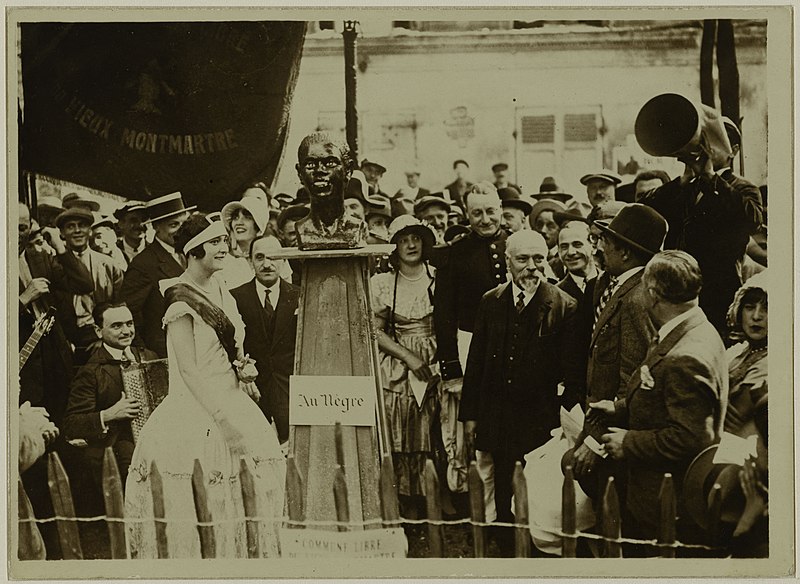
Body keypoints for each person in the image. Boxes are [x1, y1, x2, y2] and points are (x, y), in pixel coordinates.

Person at [124, 213, 285, 558]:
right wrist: (224, 421)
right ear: (194, 251)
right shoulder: (181, 300)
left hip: (234, 396)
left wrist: (244, 368)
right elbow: (189, 371)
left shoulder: (222, 289)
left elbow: (232, 347)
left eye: (224, 241)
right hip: (198, 407)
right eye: (215, 243)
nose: (224, 248)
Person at [459, 229, 584, 556]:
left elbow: (572, 375)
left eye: (539, 259)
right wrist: (470, 415)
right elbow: (476, 363)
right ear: (508, 261)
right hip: (496, 416)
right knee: (501, 486)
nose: (532, 267)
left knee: (533, 489)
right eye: (523, 259)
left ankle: (532, 552)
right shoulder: (492, 300)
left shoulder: (563, 305)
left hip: (539, 421)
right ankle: (503, 547)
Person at [599, 250, 728, 551]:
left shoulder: (685, 355)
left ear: (654, 294)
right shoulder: (692, 327)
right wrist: (621, 407)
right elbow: (671, 400)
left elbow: (690, 436)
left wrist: (628, 442)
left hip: (666, 501)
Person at [568, 204, 664, 505]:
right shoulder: (614, 287)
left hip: (616, 437)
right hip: (602, 426)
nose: (598, 248)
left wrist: (597, 443)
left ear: (625, 253)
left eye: (605, 242)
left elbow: (634, 380)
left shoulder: (636, 300)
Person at [637, 124, 763, 335]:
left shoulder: (741, 187)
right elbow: (645, 210)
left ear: (732, 150)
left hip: (718, 295)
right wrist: (682, 182)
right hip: (678, 292)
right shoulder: (685, 187)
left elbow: (752, 220)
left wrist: (713, 179)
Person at [433, 181, 508, 508]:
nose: (485, 219)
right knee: (475, 432)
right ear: (466, 214)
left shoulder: (516, 246)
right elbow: (444, 316)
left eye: (491, 211)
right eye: (476, 212)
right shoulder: (456, 255)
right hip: (470, 347)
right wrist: (452, 369)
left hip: (511, 350)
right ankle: (483, 510)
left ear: (501, 209)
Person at [371, 216, 440, 521]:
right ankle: (406, 500)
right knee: (402, 429)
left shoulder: (439, 277)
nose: (410, 245)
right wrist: (408, 357)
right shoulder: (383, 283)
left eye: (416, 237)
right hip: (399, 364)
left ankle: (438, 496)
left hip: (437, 359)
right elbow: (374, 331)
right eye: (403, 239)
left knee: (437, 429)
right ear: (394, 246)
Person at [62, 303, 157, 495]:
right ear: (98, 330)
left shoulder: (149, 356)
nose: (126, 331)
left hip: (157, 438)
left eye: (129, 324)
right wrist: (109, 414)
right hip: (119, 448)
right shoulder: (91, 371)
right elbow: (71, 424)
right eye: (116, 326)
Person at [230, 235, 300, 448]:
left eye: (273, 257)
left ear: (284, 260)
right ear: (250, 261)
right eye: (259, 258)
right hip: (252, 392)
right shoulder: (235, 297)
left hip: (290, 391)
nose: (267, 264)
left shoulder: (300, 296)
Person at [121, 192, 195, 358]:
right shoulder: (144, 264)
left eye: (184, 224)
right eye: (174, 225)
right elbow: (128, 312)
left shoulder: (189, 253)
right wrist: (143, 352)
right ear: (156, 227)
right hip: (164, 351)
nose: (181, 231)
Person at [56, 207, 125, 365]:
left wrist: (105, 339)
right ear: (62, 233)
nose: (77, 230)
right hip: (68, 339)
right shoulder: (54, 265)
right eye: (70, 226)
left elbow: (120, 306)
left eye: (82, 225)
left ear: (90, 231)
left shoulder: (109, 265)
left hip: (101, 338)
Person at [294, 132, 368, 250]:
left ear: (348, 170)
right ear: (299, 173)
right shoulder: (302, 229)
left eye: (330, 163)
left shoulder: (355, 227)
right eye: (310, 165)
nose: (319, 170)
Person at [723, 272, 768, 438]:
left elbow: (735, 415)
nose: (756, 316)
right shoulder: (739, 350)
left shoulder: (771, 362)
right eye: (749, 307)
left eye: (766, 308)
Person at [220, 196, 271, 289]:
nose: (239, 222)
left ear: (258, 226)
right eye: (235, 218)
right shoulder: (222, 259)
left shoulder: (274, 255)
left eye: (247, 218)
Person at [529, 199, 567, 281]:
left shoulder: (564, 258)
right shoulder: (529, 258)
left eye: (550, 226)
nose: (543, 230)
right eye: (539, 225)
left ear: (560, 229)